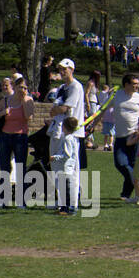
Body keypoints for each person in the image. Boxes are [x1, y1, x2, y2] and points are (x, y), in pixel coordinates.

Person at [48, 58, 86, 215]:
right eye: (60, 69)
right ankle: (62, 203)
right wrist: (56, 110)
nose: (62, 72)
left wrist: (57, 109)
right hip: (57, 131)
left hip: (71, 133)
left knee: (70, 169)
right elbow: (54, 108)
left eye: (65, 69)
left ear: (72, 70)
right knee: (57, 169)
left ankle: (72, 205)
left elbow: (64, 108)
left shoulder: (76, 87)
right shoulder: (62, 88)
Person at [108, 74, 139, 203]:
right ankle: (137, 184)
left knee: (131, 164)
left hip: (134, 136)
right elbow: (103, 109)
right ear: (126, 84)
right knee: (121, 164)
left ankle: (126, 194)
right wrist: (92, 123)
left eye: (138, 83)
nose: (137, 86)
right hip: (120, 136)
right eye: (134, 83)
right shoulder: (116, 95)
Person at [0, 78, 34, 208]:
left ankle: (21, 200)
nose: (22, 90)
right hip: (4, 137)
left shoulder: (28, 100)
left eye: (25, 88)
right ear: (15, 87)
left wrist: (23, 100)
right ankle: (3, 199)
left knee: (20, 168)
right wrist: (2, 112)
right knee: (4, 168)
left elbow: (28, 117)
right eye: (20, 87)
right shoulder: (7, 100)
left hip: (20, 137)